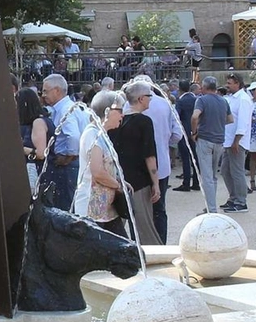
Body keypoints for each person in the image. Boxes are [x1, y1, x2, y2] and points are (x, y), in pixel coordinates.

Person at [130, 76, 184, 239]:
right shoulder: (165, 104)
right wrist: (163, 144)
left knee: (136, 209)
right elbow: (178, 134)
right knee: (159, 208)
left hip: (134, 166)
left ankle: (136, 245)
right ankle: (161, 243)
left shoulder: (129, 105)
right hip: (161, 163)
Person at [112, 82, 163, 245]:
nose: (150, 100)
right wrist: (156, 182)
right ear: (141, 98)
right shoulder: (144, 122)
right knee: (144, 227)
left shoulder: (118, 120)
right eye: (149, 96)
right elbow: (150, 155)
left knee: (118, 226)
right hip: (139, 181)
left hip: (119, 180)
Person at [74, 90, 127, 237]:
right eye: (120, 110)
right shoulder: (92, 134)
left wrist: (120, 181)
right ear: (107, 111)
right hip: (92, 209)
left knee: (123, 249)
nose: (122, 115)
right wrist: (118, 186)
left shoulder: (101, 133)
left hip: (106, 209)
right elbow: (97, 172)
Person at [38, 74, 87, 211]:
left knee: (66, 207)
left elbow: (73, 136)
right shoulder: (71, 107)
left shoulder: (66, 110)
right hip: (73, 163)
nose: (43, 95)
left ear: (57, 91)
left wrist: (68, 157)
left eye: (46, 91)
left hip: (68, 165)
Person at [191, 77, 234, 214]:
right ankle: (210, 205)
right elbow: (230, 119)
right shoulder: (223, 101)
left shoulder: (201, 100)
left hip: (205, 139)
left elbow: (194, 116)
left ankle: (211, 208)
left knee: (207, 176)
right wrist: (218, 124)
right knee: (213, 175)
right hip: (219, 140)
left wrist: (194, 131)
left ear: (204, 87)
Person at [221, 73, 254, 213]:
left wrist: (237, 141)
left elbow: (243, 123)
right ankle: (233, 197)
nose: (227, 85)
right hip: (228, 141)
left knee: (237, 172)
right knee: (225, 170)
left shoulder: (243, 99)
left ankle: (241, 202)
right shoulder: (230, 98)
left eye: (230, 83)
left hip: (237, 142)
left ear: (238, 83)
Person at [18, 89, 53, 193]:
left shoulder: (38, 123)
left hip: (40, 173)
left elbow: (41, 153)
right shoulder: (42, 120)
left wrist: (19, 148)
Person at [174, 81, 201, 192]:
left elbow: (176, 115)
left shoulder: (180, 101)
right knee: (195, 157)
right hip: (195, 131)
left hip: (184, 131)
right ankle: (196, 182)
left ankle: (186, 183)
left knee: (185, 158)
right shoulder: (196, 100)